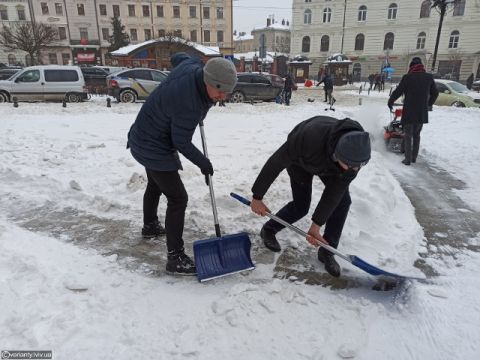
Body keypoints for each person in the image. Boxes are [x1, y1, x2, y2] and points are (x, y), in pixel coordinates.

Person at [127, 54, 237, 275]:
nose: (222, 97)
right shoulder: (189, 104)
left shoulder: (192, 66)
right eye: (219, 91)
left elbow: (178, 57)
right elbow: (181, 142)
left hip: (143, 133)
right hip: (153, 145)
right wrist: (203, 163)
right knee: (178, 198)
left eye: (226, 92)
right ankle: (175, 257)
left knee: (155, 184)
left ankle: (150, 226)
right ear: (207, 81)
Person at [249, 116, 371, 277]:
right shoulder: (308, 137)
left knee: (342, 202)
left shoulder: (355, 157)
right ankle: (269, 230)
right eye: (351, 166)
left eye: (359, 166)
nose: (354, 170)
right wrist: (257, 197)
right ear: (338, 154)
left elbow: (334, 193)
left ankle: (327, 250)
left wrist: (316, 225)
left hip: (330, 166)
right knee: (301, 205)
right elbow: (276, 162)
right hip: (301, 160)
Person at [388, 57, 439, 165]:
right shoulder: (429, 77)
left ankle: (407, 159)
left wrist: (390, 101)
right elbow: (435, 93)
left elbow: (398, 91)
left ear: (411, 66)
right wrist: (428, 104)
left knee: (408, 135)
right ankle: (413, 157)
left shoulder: (408, 77)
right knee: (417, 135)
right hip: (421, 112)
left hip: (409, 112)